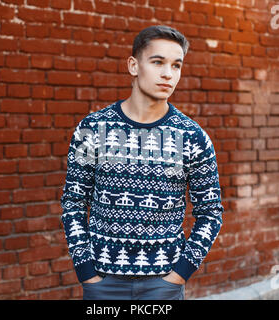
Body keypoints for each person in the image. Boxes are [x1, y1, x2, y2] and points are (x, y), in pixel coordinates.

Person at [60, 25, 224, 300]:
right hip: (103, 283)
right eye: (158, 62)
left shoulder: (193, 137)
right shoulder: (93, 128)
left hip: (163, 284)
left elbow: (210, 213)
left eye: (176, 65)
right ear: (134, 66)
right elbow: (73, 203)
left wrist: (178, 276)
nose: (168, 74)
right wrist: (87, 272)